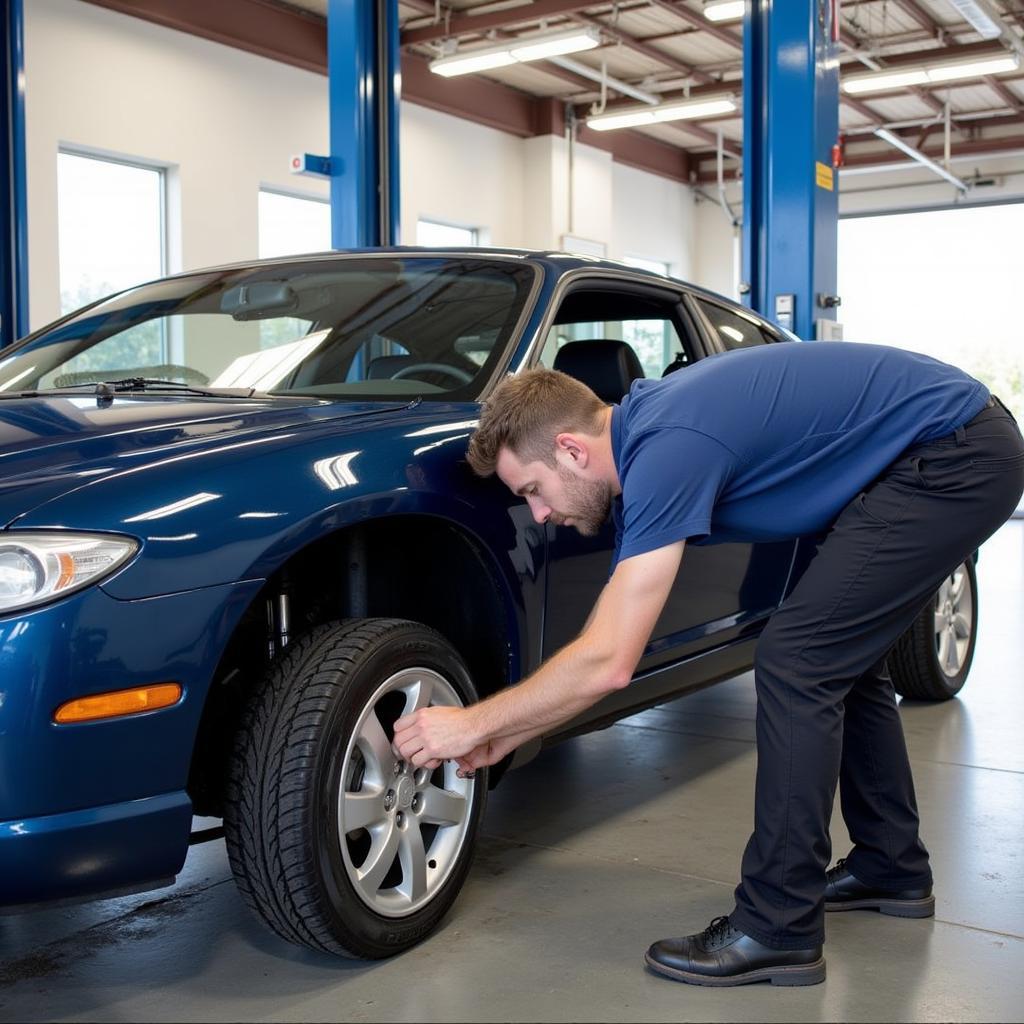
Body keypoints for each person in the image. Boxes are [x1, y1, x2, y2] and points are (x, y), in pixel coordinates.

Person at [392, 340, 1024, 987]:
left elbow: (609, 660)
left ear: (572, 451)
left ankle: (778, 926)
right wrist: (506, 736)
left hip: (954, 454)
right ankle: (891, 863)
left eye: (534, 490)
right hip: (922, 455)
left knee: (796, 661)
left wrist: (471, 725)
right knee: (836, 661)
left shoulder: (667, 448)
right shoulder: (650, 438)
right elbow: (603, 650)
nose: (542, 513)